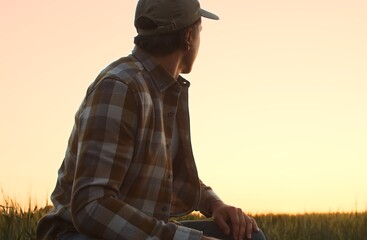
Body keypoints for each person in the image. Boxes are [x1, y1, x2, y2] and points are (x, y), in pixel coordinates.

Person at [36, 0, 266, 239]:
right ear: (189, 36)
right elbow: (91, 207)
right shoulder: (120, 87)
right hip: (77, 234)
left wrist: (215, 205)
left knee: (249, 236)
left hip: (137, 231)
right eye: (200, 31)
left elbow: (169, 174)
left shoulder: (161, 89)